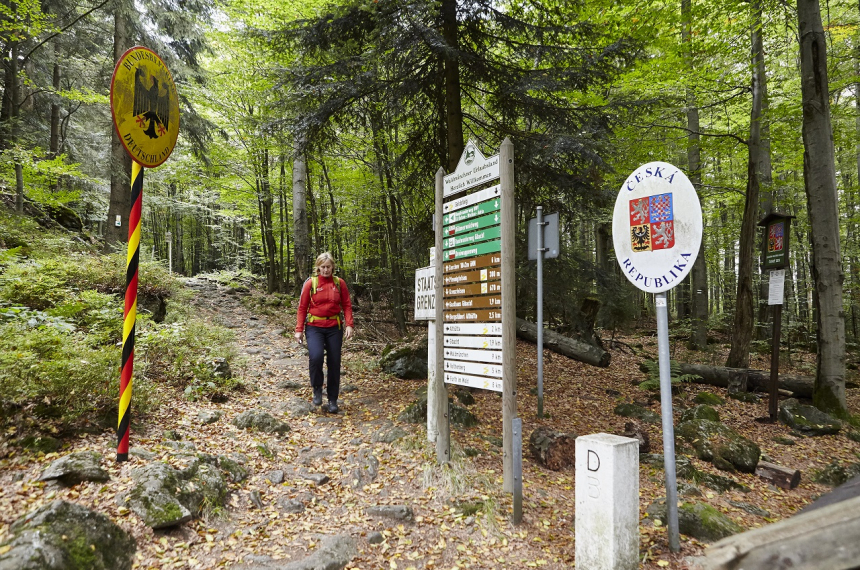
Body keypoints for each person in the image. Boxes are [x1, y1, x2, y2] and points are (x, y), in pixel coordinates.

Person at [294, 252, 354, 413]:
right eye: (323, 267)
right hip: (314, 326)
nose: (326, 270)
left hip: (335, 326)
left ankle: (333, 399)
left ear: (333, 267)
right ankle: (317, 389)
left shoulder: (339, 283)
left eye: (328, 267)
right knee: (316, 357)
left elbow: (347, 305)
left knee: (334, 362)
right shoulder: (311, 283)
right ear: (318, 268)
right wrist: (299, 330)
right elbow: (302, 307)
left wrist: (349, 324)